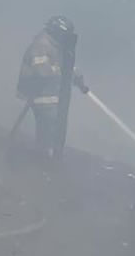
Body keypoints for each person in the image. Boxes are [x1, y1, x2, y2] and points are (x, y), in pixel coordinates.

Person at [15, 16, 89, 161]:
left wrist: (77, 77)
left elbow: (64, 65)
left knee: (55, 121)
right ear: (58, 33)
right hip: (37, 91)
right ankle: (43, 154)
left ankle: (48, 153)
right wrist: (64, 73)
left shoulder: (55, 46)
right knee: (49, 121)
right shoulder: (42, 44)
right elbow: (42, 71)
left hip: (49, 92)